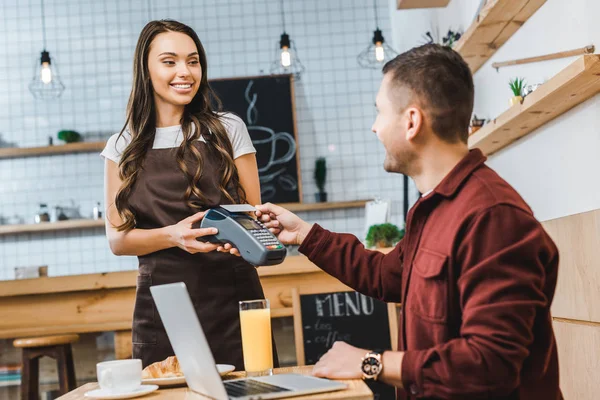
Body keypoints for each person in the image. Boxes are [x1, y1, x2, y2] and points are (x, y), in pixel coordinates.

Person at [254, 44, 561, 399]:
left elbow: (489, 363)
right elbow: (388, 276)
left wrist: (371, 363)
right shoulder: (435, 206)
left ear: (411, 121)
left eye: (380, 112)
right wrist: (305, 235)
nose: (374, 128)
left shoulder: (493, 219)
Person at [101, 19, 277, 370]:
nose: (185, 71)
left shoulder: (228, 129)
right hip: (164, 308)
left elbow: (252, 216)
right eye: (169, 61)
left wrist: (263, 228)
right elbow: (118, 240)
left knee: (251, 389)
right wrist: (173, 236)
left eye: (193, 61)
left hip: (233, 297)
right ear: (145, 69)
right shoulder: (122, 146)